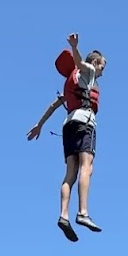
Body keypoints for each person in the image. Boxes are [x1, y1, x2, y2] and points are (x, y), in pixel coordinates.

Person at [27, 34, 107, 241]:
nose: (102, 72)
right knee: (87, 167)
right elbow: (81, 62)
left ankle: (63, 215)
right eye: (102, 67)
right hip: (84, 123)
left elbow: (55, 105)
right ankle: (83, 213)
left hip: (68, 125)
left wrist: (39, 124)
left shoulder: (71, 80)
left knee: (70, 173)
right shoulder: (87, 72)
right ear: (95, 62)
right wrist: (74, 46)